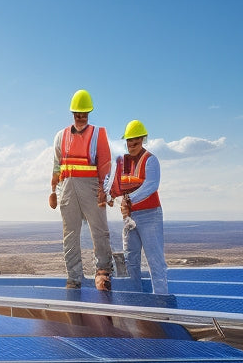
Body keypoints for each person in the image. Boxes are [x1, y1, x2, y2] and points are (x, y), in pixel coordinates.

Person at [50, 89, 114, 290]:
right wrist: (53, 191)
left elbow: (105, 165)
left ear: (89, 113)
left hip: (92, 189)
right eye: (77, 114)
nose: (80, 118)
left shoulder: (98, 134)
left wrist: (105, 192)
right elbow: (56, 166)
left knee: (100, 231)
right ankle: (74, 277)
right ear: (72, 113)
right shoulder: (60, 136)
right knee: (70, 234)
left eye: (84, 114)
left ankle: (103, 272)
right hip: (67, 189)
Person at [111, 120, 168, 295]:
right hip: (130, 218)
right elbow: (116, 185)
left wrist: (129, 199)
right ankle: (135, 298)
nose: (131, 145)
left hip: (150, 215)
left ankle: (161, 301)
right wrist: (109, 195)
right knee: (130, 260)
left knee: (155, 260)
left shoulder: (151, 160)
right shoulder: (123, 163)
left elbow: (151, 185)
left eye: (135, 141)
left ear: (143, 140)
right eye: (129, 141)